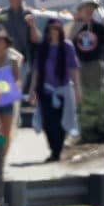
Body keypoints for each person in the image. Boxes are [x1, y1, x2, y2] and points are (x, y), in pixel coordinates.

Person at [30, 17, 81, 163]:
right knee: (48, 123)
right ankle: (53, 148)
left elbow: (74, 69)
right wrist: (32, 90)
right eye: (52, 29)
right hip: (45, 91)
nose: (54, 32)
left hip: (63, 90)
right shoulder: (42, 48)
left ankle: (57, 152)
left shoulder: (67, 47)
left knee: (61, 122)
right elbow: (36, 71)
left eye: (57, 29)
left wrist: (78, 89)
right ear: (48, 30)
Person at [0, 29, 23, 170]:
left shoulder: (12, 60)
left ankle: (1, 159)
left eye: (1, 40)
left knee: (6, 132)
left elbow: (17, 79)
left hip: (7, 98)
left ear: (6, 43)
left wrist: (12, 87)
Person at [0, 0, 42, 84]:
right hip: (6, 60)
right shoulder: (3, 14)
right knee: (5, 93)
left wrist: (32, 26)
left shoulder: (28, 14)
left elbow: (36, 39)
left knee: (17, 90)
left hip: (23, 61)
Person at [69, 0, 104, 92]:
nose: (89, 10)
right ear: (80, 10)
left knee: (95, 91)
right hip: (78, 64)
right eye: (86, 7)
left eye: (92, 7)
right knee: (79, 91)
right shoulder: (74, 27)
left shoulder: (100, 27)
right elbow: (68, 42)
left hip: (95, 63)